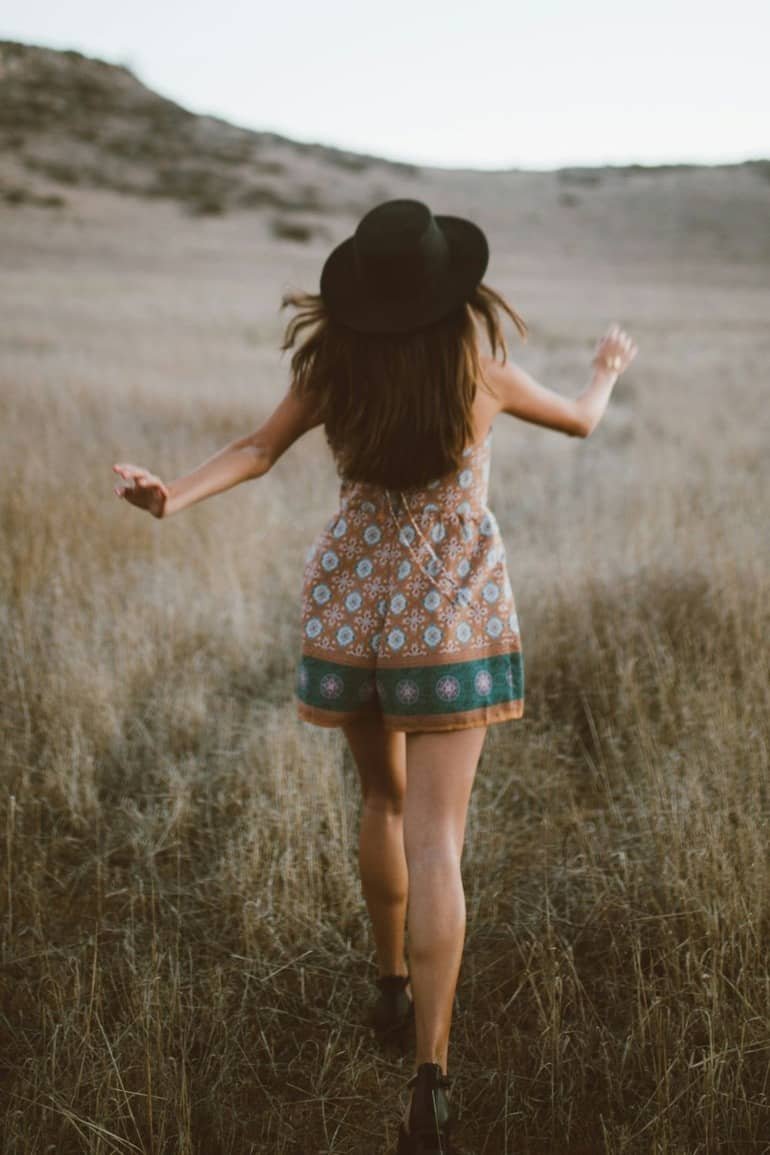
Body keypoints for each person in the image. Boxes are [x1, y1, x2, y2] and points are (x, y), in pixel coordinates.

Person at [112, 198, 637, 1153]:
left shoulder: (334, 366)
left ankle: (388, 985)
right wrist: (603, 373)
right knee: (440, 840)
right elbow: (582, 424)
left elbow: (257, 450)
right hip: (449, 615)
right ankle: (429, 1076)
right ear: (447, 289)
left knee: (381, 804)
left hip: (352, 611)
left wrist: (169, 496)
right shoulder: (479, 368)